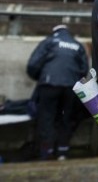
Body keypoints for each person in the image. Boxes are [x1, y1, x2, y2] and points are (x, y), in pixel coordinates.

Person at [26, 24, 89, 160]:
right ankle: (62, 152)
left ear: (54, 31)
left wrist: (41, 77)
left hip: (49, 85)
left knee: (46, 118)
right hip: (71, 87)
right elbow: (84, 70)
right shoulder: (77, 45)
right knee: (66, 118)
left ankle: (47, 152)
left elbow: (33, 64)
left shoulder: (49, 41)